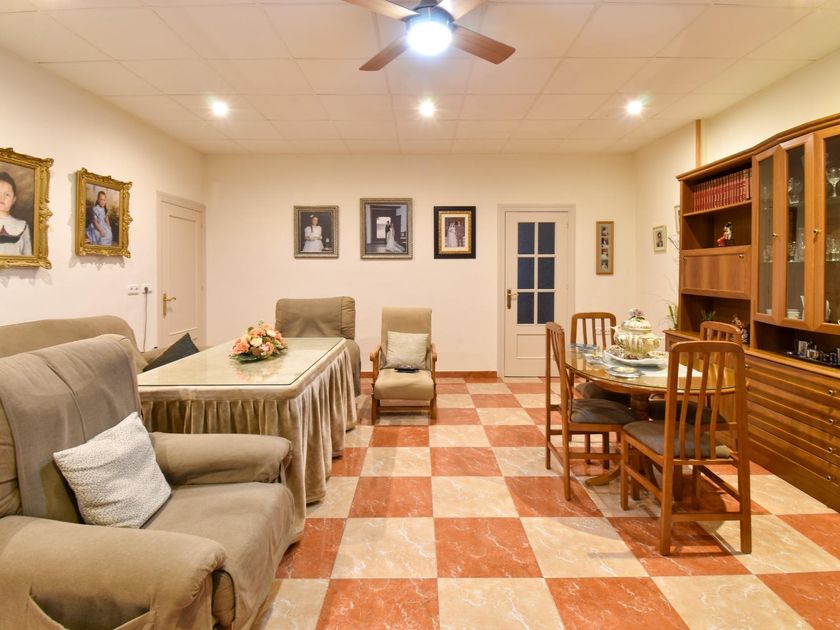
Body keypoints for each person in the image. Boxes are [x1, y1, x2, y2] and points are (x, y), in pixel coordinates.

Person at [0, 171, 32, 256]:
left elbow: (28, 256)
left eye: (7, 194)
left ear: (13, 200)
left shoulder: (23, 225)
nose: (1, 198)